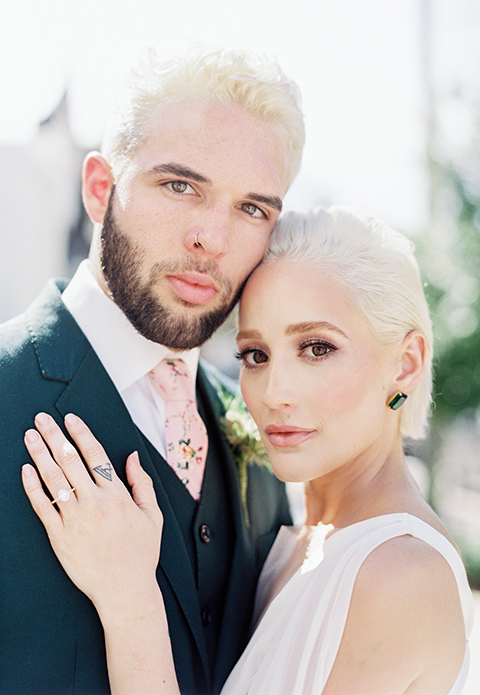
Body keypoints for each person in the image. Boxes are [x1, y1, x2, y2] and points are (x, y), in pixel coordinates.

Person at [22, 205, 474, 694]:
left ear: (405, 365)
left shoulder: (400, 576)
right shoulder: (299, 542)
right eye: (255, 355)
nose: (273, 392)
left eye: (317, 348)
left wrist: (131, 603)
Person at [0, 47, 306, 695]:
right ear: (100, 189)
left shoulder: (259, 429)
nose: (212, 238)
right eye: (180, 186)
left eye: (252, 208)